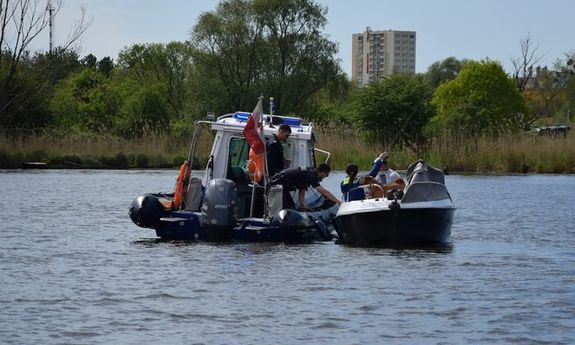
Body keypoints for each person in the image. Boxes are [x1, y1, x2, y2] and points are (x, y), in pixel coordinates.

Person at [269, 163, 342, 210]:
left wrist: (301, 204)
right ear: (322, 172)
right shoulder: (311, 176)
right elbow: (324, 192)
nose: (326, 177)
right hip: (277, 185)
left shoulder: (309, 172)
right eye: (327, 175)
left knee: (291, 207)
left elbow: (302, 188)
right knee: (287, 209)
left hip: (282, 187)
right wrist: (338, 202)